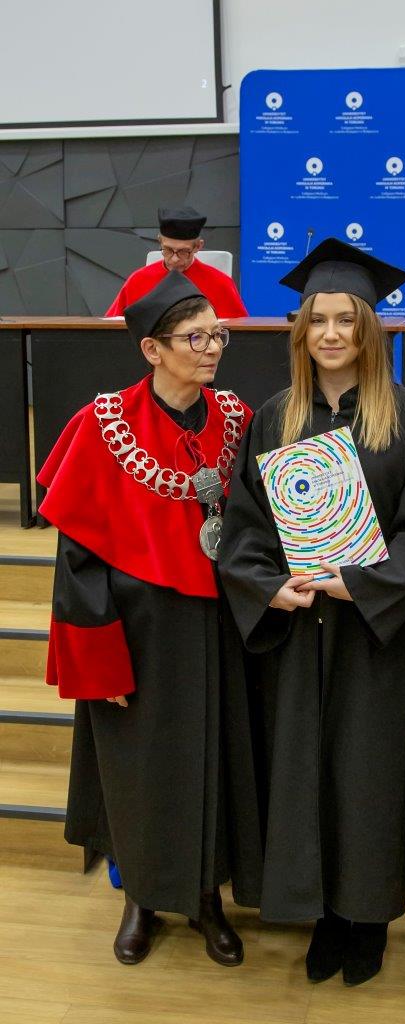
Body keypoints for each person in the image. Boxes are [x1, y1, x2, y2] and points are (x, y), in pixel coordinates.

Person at [218, 238, 405, 986]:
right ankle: (321, 915)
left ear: (369, 329)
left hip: (372, 632)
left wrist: (365, 582)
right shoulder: (275, 417)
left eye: (347, 319)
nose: (332, 333)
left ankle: (366, 918)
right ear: (301, 331)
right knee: (304, 772)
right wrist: (266, 586)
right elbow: (246, 526)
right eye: (318, 320)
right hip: (298, 630)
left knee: (367, 773)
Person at [38, 271, 262, 966]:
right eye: (195, 338)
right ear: (152, 350)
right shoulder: (103, 424)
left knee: (215, 760)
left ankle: (206, 899)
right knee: (137, 768)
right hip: (135, 630)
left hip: (220, 624)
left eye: (217, 335)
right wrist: (98, 659)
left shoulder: (237, 419)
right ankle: (140, 896)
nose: (212, 348)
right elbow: (78, 557)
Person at [105, 206, 248, 318]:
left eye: (183, 252)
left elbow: (241, 332)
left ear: (198, 246)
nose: (174, 259)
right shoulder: (138, 280)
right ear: (160, 241)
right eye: (168, 250)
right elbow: (111, 326)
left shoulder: (220, 283)